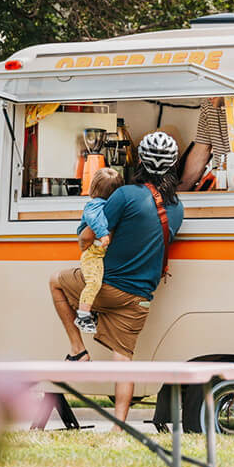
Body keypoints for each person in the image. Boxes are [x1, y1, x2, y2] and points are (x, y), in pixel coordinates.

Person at [49, 131, 184, 422]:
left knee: (56, 281)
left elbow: (88, 234)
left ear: (139, 161)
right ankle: (119, 427)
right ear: (174, 165)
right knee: (124, 362)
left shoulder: (125, 195)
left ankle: (78, 351)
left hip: (104, 289)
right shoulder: (177, 208)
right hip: (139, 300)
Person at [74, 167, 124, 334]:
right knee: (94, 282)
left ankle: (91, 310)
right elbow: (94, 219)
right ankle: (82, 315)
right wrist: (102, 234)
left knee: (100, 281)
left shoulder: (108, 206)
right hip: (92, 253)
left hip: (99, 252)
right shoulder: (95, 205)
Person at [178, 96, 231, 191]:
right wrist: (179, 192)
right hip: (226, 186)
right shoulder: (208, 104)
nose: (208, 95)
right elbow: (200, 153)